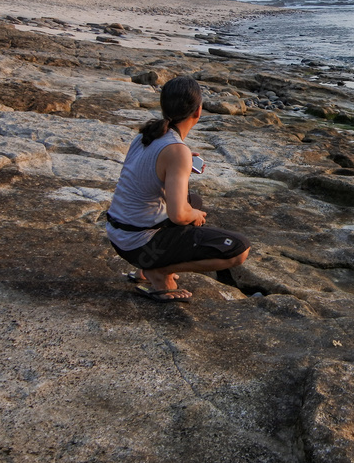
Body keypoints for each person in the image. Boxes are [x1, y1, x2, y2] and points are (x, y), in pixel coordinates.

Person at [106, 76, 250, 302]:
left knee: (194, 200)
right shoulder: (174, 149)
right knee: (239, 249)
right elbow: (179, 215)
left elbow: (145, 173)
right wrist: (195, 215)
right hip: (137, 245)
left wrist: (177, 167)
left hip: (119, 234)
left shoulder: (147, 135)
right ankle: (158, 272)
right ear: (198, 112)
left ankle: (146, 268)